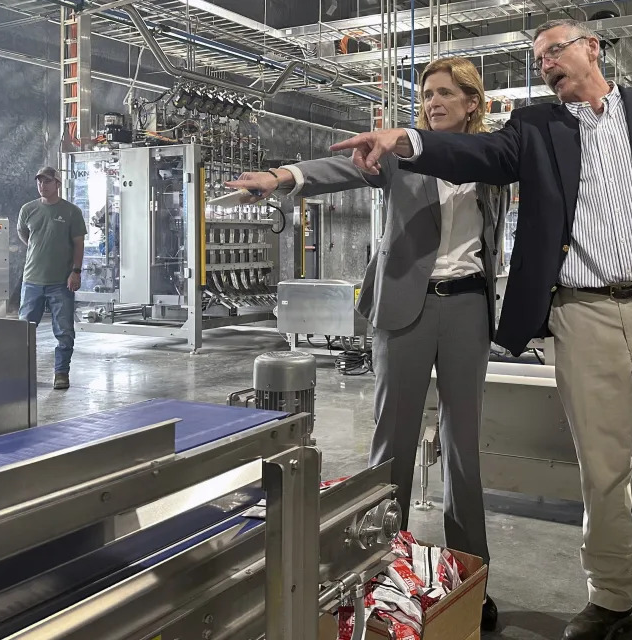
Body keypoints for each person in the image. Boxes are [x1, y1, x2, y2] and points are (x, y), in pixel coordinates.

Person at [329, 19, 632, 640]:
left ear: (592, 49)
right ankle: (610, 599)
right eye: (538, 59)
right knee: (601, 472)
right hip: (583, 315)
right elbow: (478, 153)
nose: (545, 64)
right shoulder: (538, 128)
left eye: (554, 51)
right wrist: (408, 139)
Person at [225, 57, 505, 631]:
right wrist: (281, 178)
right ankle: (379, 571)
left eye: (446, 94)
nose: (432, 102)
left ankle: (467, 575)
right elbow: (340, 171)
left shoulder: (492, 160)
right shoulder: (401, 151)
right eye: (427, 94)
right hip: (407, 306)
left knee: (463, 449)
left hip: (469, 306)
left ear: (472, 102)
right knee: (392, 443)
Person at [17, 166, 87, 390]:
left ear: (57, 184)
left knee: (64, 331)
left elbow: (78, 243)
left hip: (60, 282)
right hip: (32, 280)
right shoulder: (28, 209)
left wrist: (75, 271)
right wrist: (37, 248)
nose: (42, 185)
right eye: (39, 181)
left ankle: (61, 373)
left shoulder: (71, 212)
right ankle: (23, 373)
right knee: (24, 330)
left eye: (47, 181)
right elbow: (23, 232)